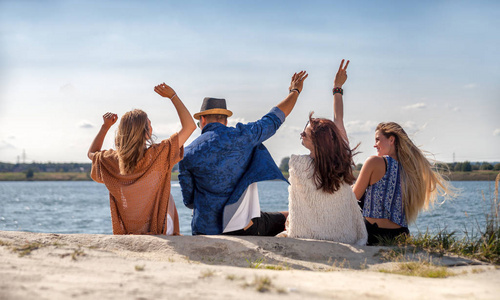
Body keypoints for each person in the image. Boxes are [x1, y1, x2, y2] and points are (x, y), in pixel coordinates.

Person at [179, 71, 308, 235]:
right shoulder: (245, 136)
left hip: (204, 229)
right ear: (225, 121)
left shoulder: (187, 153)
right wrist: (294, 92)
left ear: (202, 120)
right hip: (242, 228)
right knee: (285, 218)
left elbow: (188, 201)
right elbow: (274, 118)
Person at [88, 83, 196, 235]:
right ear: (146, 133)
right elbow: (190, 126)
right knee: (168, 195)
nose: (152, 128)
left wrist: (105, 127)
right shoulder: (159, 154)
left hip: (128, 228)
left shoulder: (112, 160)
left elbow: (92, 153)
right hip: (160, 227)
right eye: (150, 125)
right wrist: (173, 96)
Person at [283, 60, 367, 245]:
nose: (301, 134)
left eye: (305, 133)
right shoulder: (341, 158)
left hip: (307, 234)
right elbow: (339, 118)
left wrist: (293, 92)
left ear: (317, 140)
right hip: (343, 235)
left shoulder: (298, 164)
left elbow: (296, 207)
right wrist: (337, 88)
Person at [352, 121, 454, 245]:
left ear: (391, 140)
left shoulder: (373, 162)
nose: (375, 145)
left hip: (373, 234)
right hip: (401, 235)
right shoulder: (410, 170)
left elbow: (353, 198)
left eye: (378, 140)